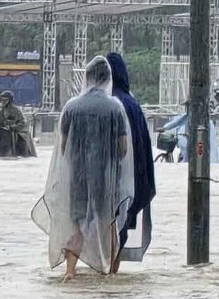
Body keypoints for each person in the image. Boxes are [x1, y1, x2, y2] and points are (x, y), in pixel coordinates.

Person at [31, 57, 135, 281]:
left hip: (77, 177)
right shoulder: (115, 107)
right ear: (108, 79)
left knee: (77, 223)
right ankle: (109, 270)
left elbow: (63, 146)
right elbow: (124, 149)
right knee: (108, 223)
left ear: (86, 78)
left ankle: (70, 271)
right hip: (106, 179)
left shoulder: (71, 107)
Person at [107, 52, 156, 273]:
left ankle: (107, 270)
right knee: (121, 224)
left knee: (107, 223)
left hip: (113, 177)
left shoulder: (111, 103)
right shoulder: (132, 102)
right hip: (135, 177)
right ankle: (113, 271)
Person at [0, 91, 37, 157]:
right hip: (2, 133)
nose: (3, 102)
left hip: (17, 133)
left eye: (5, 100)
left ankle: (25, 155)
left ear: (10, 100)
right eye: (1, 100)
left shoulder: (17, 110)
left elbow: (23, 122)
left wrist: (12, 127)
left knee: (22, 144)